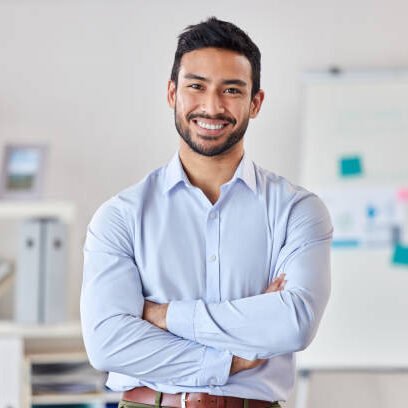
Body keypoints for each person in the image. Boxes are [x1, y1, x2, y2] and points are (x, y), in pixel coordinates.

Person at [81, 17, 332, 408]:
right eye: (196, 86)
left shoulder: (297, 211)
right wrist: (231, 360)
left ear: (256, 102)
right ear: (172, 94)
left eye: (231, 90)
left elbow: (294, 323)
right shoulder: (120, 217)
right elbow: (109, 344)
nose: (212, 106)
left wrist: (164, 316)